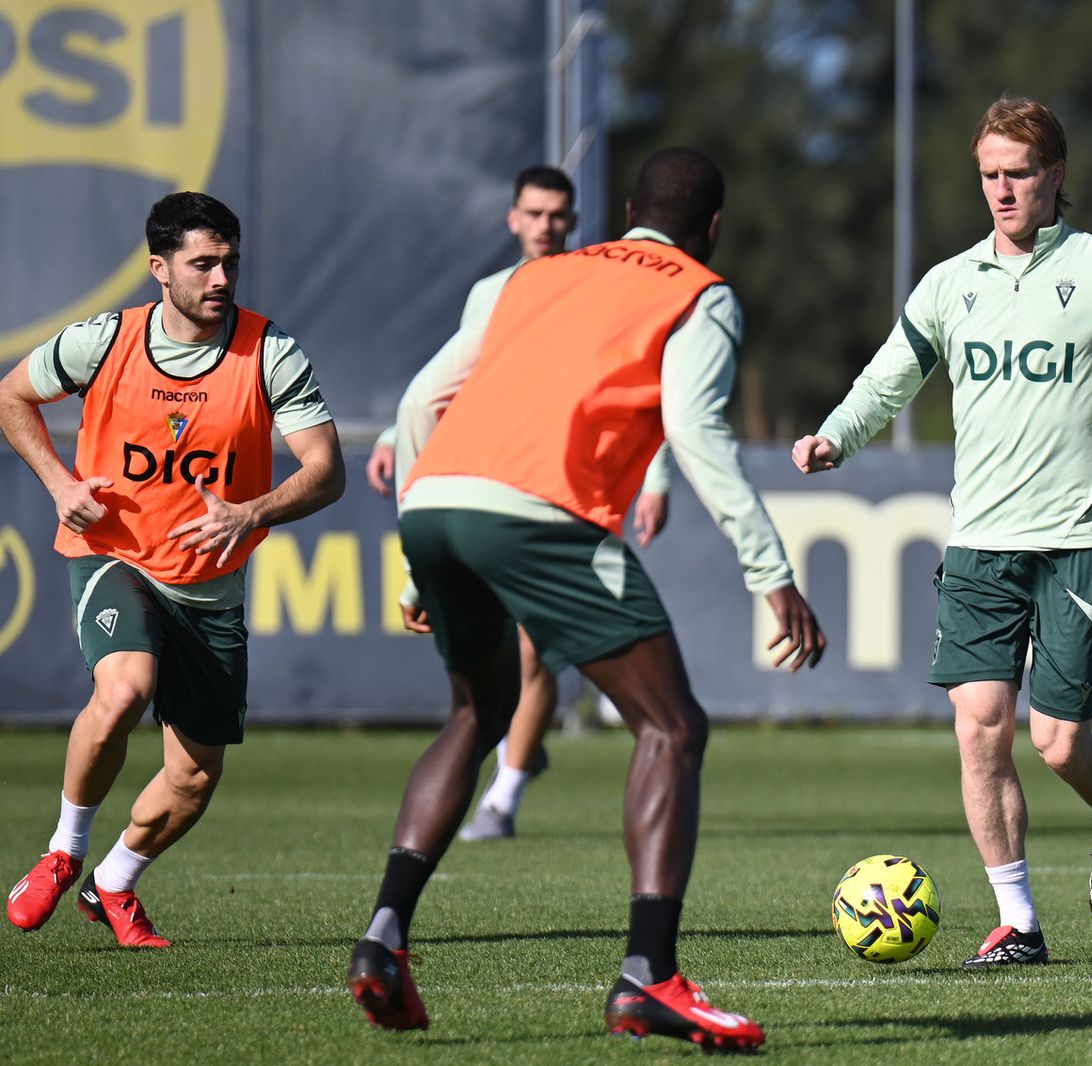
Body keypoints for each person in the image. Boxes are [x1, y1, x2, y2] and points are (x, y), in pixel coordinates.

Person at [346, 147, 824, 1052]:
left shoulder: (530, 279)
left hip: (440, 499)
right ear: (712, 227)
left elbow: (418, 405)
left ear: (623, 212)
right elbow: (694, 429)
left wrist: (418, 562)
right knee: (672, 727)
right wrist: (770, 572)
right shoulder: (698, 291)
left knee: (475, 712)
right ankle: (651, 978)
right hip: (539, 514)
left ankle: (384, 939)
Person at [794, 96, 1092, 969]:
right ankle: (1018, 920)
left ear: (1056, 176)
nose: (1002, 189)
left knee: (1057, 740)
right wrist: (836, 433)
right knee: (978, 726)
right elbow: (889, 377)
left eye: (1019, 173)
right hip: (980, 543)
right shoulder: (952, 283)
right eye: (989, 173)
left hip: (1080, 539)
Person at [0, 192, 344, 948]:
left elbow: (326, 470)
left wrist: (250, 512)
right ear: (160, 269)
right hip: (112, 557)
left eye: (230, 262)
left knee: (193, 781)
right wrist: (61, 485)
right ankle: (64, 850)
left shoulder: (269, 350)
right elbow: (13, 395)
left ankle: (114, 884)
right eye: (203, 263)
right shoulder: (106, 340)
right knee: (126, 687)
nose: (221, 278)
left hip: (210, 590)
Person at [364, 165, 672, 842]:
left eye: (557, 215)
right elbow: (464, 378)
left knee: (534, 651)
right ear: (513, 220)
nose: (546, 226)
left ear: (574, 221)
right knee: (501, 662)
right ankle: (517, 760)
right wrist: (395, 434)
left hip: (564, 485)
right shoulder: (494, 292)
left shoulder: (597, 285)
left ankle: (501, 798)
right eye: (534, 214)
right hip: (492, 481)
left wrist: (657, 474)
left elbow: (637, 383)